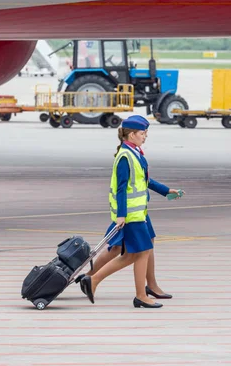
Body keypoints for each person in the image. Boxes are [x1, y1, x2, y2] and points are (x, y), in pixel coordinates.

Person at [76, 116, 183, 300]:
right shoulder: (126, 156)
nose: (146, 136)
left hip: (139, 210)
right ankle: (93, 280)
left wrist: (165, 191)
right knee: (134, 252)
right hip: (130, 213)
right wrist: (121, 215)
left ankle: (150, 286)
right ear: (132, 135)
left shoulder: (135, 152)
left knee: (136, 246)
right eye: (143, 133)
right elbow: (121, 188)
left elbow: (143, 180)